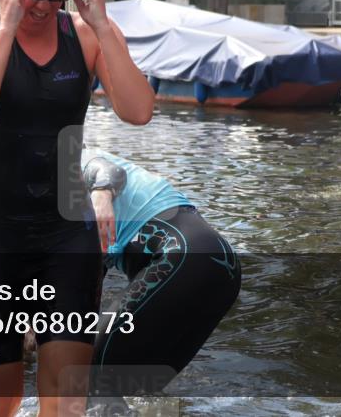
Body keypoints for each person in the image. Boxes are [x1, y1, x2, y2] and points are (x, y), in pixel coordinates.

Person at [0, 0, 154, 417]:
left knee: (65, 400)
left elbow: (139, 110)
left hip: (66, 231)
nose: (44, 5)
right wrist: (7, 29)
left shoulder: (85, 36)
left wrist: (104, 27)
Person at [82, 149, 241, 403]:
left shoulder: (69, 161)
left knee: (91, 376)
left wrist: (101, 195)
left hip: (183, 257)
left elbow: (109, 172)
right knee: (138, 392)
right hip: (224, 268)